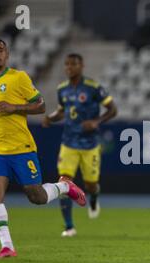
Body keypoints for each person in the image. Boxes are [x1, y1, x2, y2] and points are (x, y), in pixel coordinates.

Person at [0, 38, 86, 258]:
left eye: (0, 50)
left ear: (7, 55)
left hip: (21, 148)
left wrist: (14, 107)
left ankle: (64, 187)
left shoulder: (19, 78)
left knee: (37, 197)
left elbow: (40, 105)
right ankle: (7, 247)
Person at [42, 53, 117, 237]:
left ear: (81, 66)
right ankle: (69, 226)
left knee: (91, 184)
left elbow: (113, 109)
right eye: (66, 64)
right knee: (65, 182)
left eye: (73, 64)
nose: (69, 67)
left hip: (90, 144)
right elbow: (62, 111)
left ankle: (94, 197)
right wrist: (50, 118)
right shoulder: (62, 89)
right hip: (68, 143)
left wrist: (96, 121)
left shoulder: (93, 87)